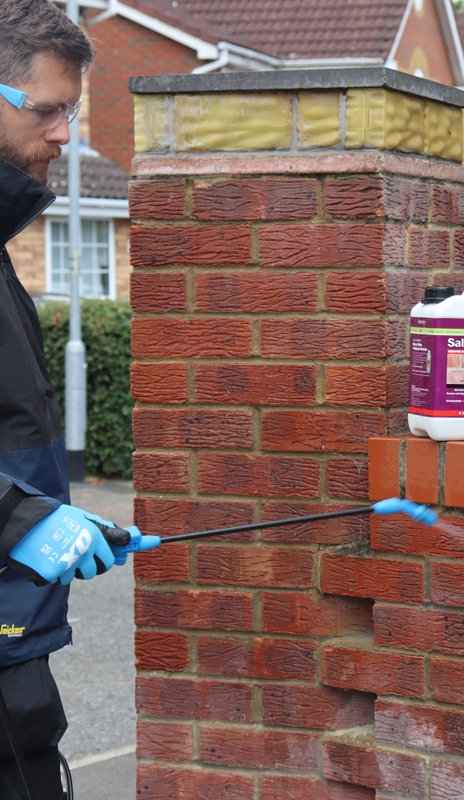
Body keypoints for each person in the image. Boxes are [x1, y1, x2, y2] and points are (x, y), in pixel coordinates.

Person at [0, 3, 157, 797]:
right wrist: (23, 521)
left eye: (72, 110)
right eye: (46, 109)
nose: (65, 132)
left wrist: (59, 520)